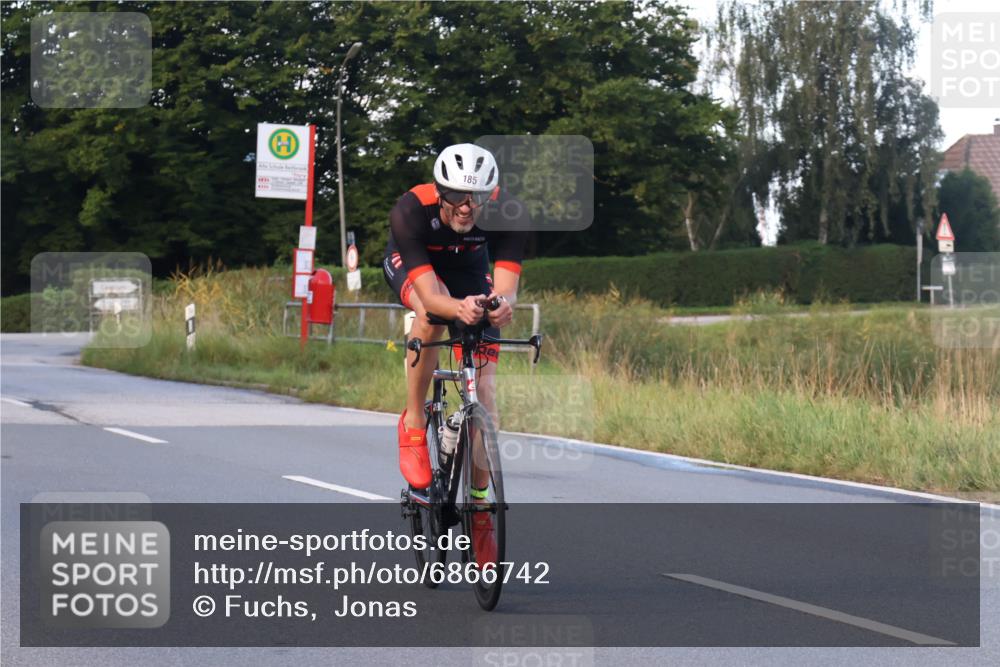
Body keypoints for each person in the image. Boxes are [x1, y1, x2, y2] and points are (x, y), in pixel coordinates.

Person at [382, 143, 528, 566]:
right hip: (416, 267)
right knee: (431, 313)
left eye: (478, 198)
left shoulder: (509, 212)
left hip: (468, 267)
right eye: (458, 198)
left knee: (485, 391)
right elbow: (430, 295)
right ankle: (412, 421)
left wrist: (501, 305)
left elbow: (507, 286)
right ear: (439, 190)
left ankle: (480, 509)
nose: (468, 207)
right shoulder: (410, 210)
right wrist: (456, 308)